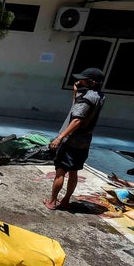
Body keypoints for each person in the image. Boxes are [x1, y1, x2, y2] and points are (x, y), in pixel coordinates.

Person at [44, 67, 106, 210]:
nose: (80, 80)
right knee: (73, 172)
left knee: (60, 171)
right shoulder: (100, 96)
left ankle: (52, 202)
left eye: (84, 79)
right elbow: (77, 107)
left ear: (91, 82)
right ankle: (65, 200)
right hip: (84, 142)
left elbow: (77, 119)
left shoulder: (86, 98)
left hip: (71, 141)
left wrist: (60, 137)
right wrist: (76, 91)